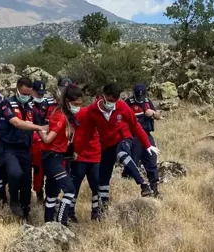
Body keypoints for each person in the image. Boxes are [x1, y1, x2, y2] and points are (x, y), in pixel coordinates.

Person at [87, 82, 159, 213]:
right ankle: (103, 209)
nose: (112, 103)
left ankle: (143, 184)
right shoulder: (93, 110)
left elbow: (136, 126)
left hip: (124, 138)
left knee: (122, 154)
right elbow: (87, 132)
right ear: (103, 96)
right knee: (103, 179)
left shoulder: (122, 106)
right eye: (109, 100)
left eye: (114, 101)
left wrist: (147, 144)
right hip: (106, 144)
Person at [0, 77, 47, 219]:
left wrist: (46, 139)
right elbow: (17, 123)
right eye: (24, 93)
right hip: (9, 148)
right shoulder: (6, 104)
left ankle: (25, 211)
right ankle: (13, 200)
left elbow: (40, 126)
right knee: (15, 173)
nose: (26, 97)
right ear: (17, 89)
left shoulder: (31, 106)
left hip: (26, 149)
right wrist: (39, 127)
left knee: (26, 182)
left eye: (28, 94)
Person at [63, 85, 102, 222]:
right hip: (78, 157)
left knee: (96, 186)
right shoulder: (74, 114)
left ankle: (97, 213)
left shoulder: (94, 114)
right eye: (75, 104)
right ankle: (69, 212)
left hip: (95, 156)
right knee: (74, 187)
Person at [40, 88, 78, 226]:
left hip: (56, 157)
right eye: (76, 104)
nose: (78, 107)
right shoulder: (61, 117)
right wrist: (40, 130)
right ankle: (61, 223)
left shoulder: (63, 115)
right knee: (70, 190)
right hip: (52, 158)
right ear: (68, 102)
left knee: (52, 194)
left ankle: (48, 224)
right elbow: (48, 139)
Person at [124, 82, 162, 198]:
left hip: (146, 134)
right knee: (133, 162)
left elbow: (158, 116)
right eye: (138, 95)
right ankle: (139, 186)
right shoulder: (128, 103)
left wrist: (153, 113)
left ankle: (154, 188)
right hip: (134, 137)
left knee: (151, 159)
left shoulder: (147, 101)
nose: (140, 98)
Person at [31, 79, 58, 201]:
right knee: (37, 170)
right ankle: (38, 193)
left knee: (48, 169)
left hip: (46, 139)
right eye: (38, 94)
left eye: (42, 94)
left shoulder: (47, 104)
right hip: (32, 141)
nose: (41, 96)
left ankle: (49, 196)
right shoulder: (27, 104)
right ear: (32, 92)